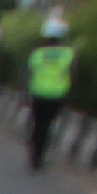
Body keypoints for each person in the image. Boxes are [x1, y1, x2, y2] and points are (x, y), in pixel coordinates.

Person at [25, 16, 75, 171]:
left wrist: (24, 93)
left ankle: (35, 150)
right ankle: (39, 155)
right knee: (47, 125)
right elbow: (73, 73)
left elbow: (28, 73)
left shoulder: (37, 53)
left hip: (38, 93)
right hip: (57, 95)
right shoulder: (68, 54)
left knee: (38, 123)